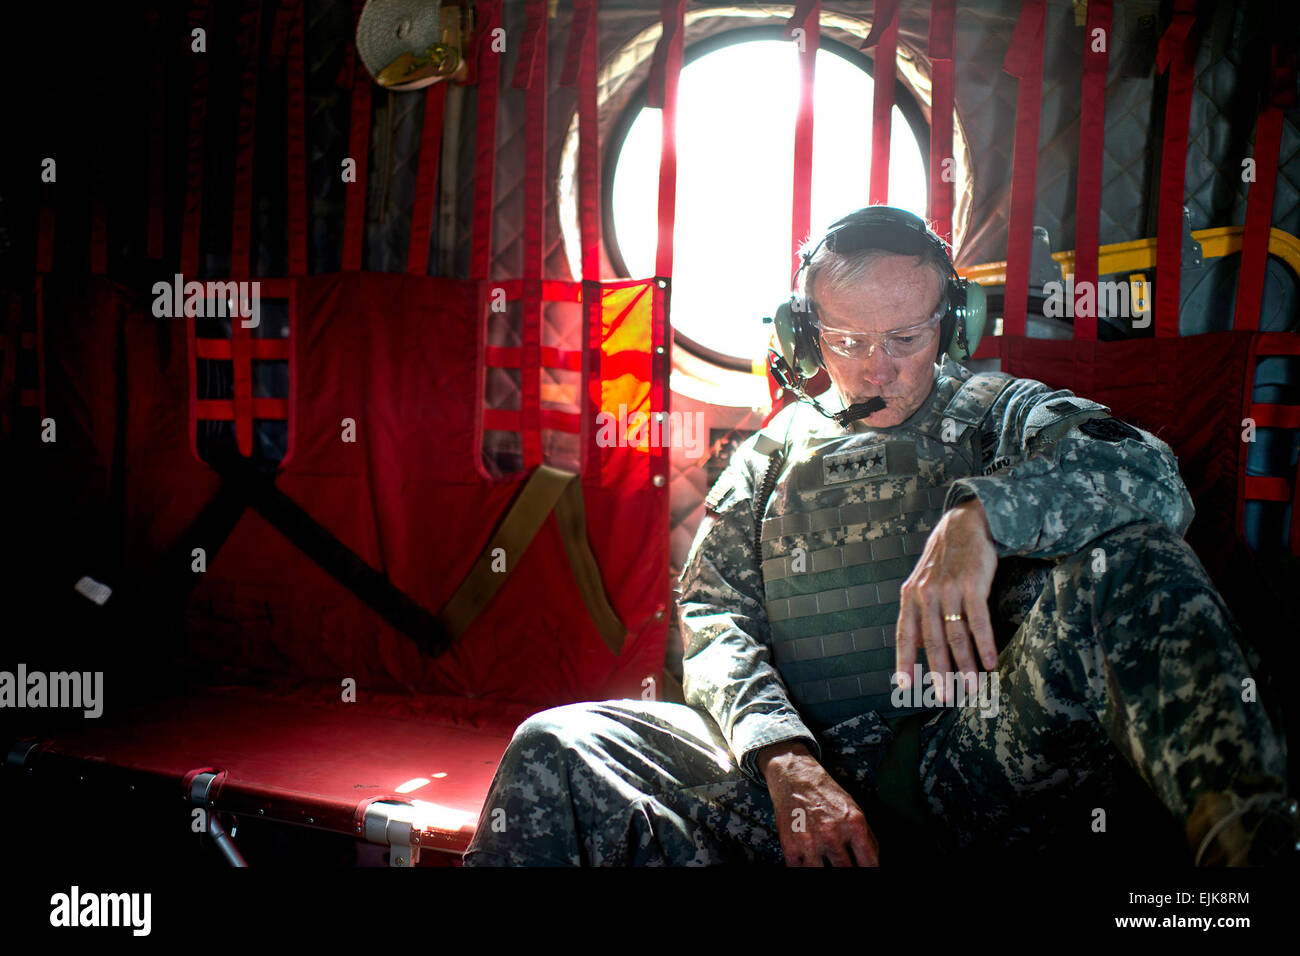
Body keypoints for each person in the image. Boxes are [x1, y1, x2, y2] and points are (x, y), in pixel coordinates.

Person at [461, 206, 1293, 867]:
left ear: (954, 325)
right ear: (801, 336)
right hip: (800, 773)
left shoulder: (1002, 412)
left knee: (1130, 557)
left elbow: (1152, 480)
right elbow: (713, 619)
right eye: (846, 341)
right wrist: (784, 761)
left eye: (906, 338)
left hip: (979, 763)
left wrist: (984, 516)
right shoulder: (769, 456)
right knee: (559, 744)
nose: (877, 369)